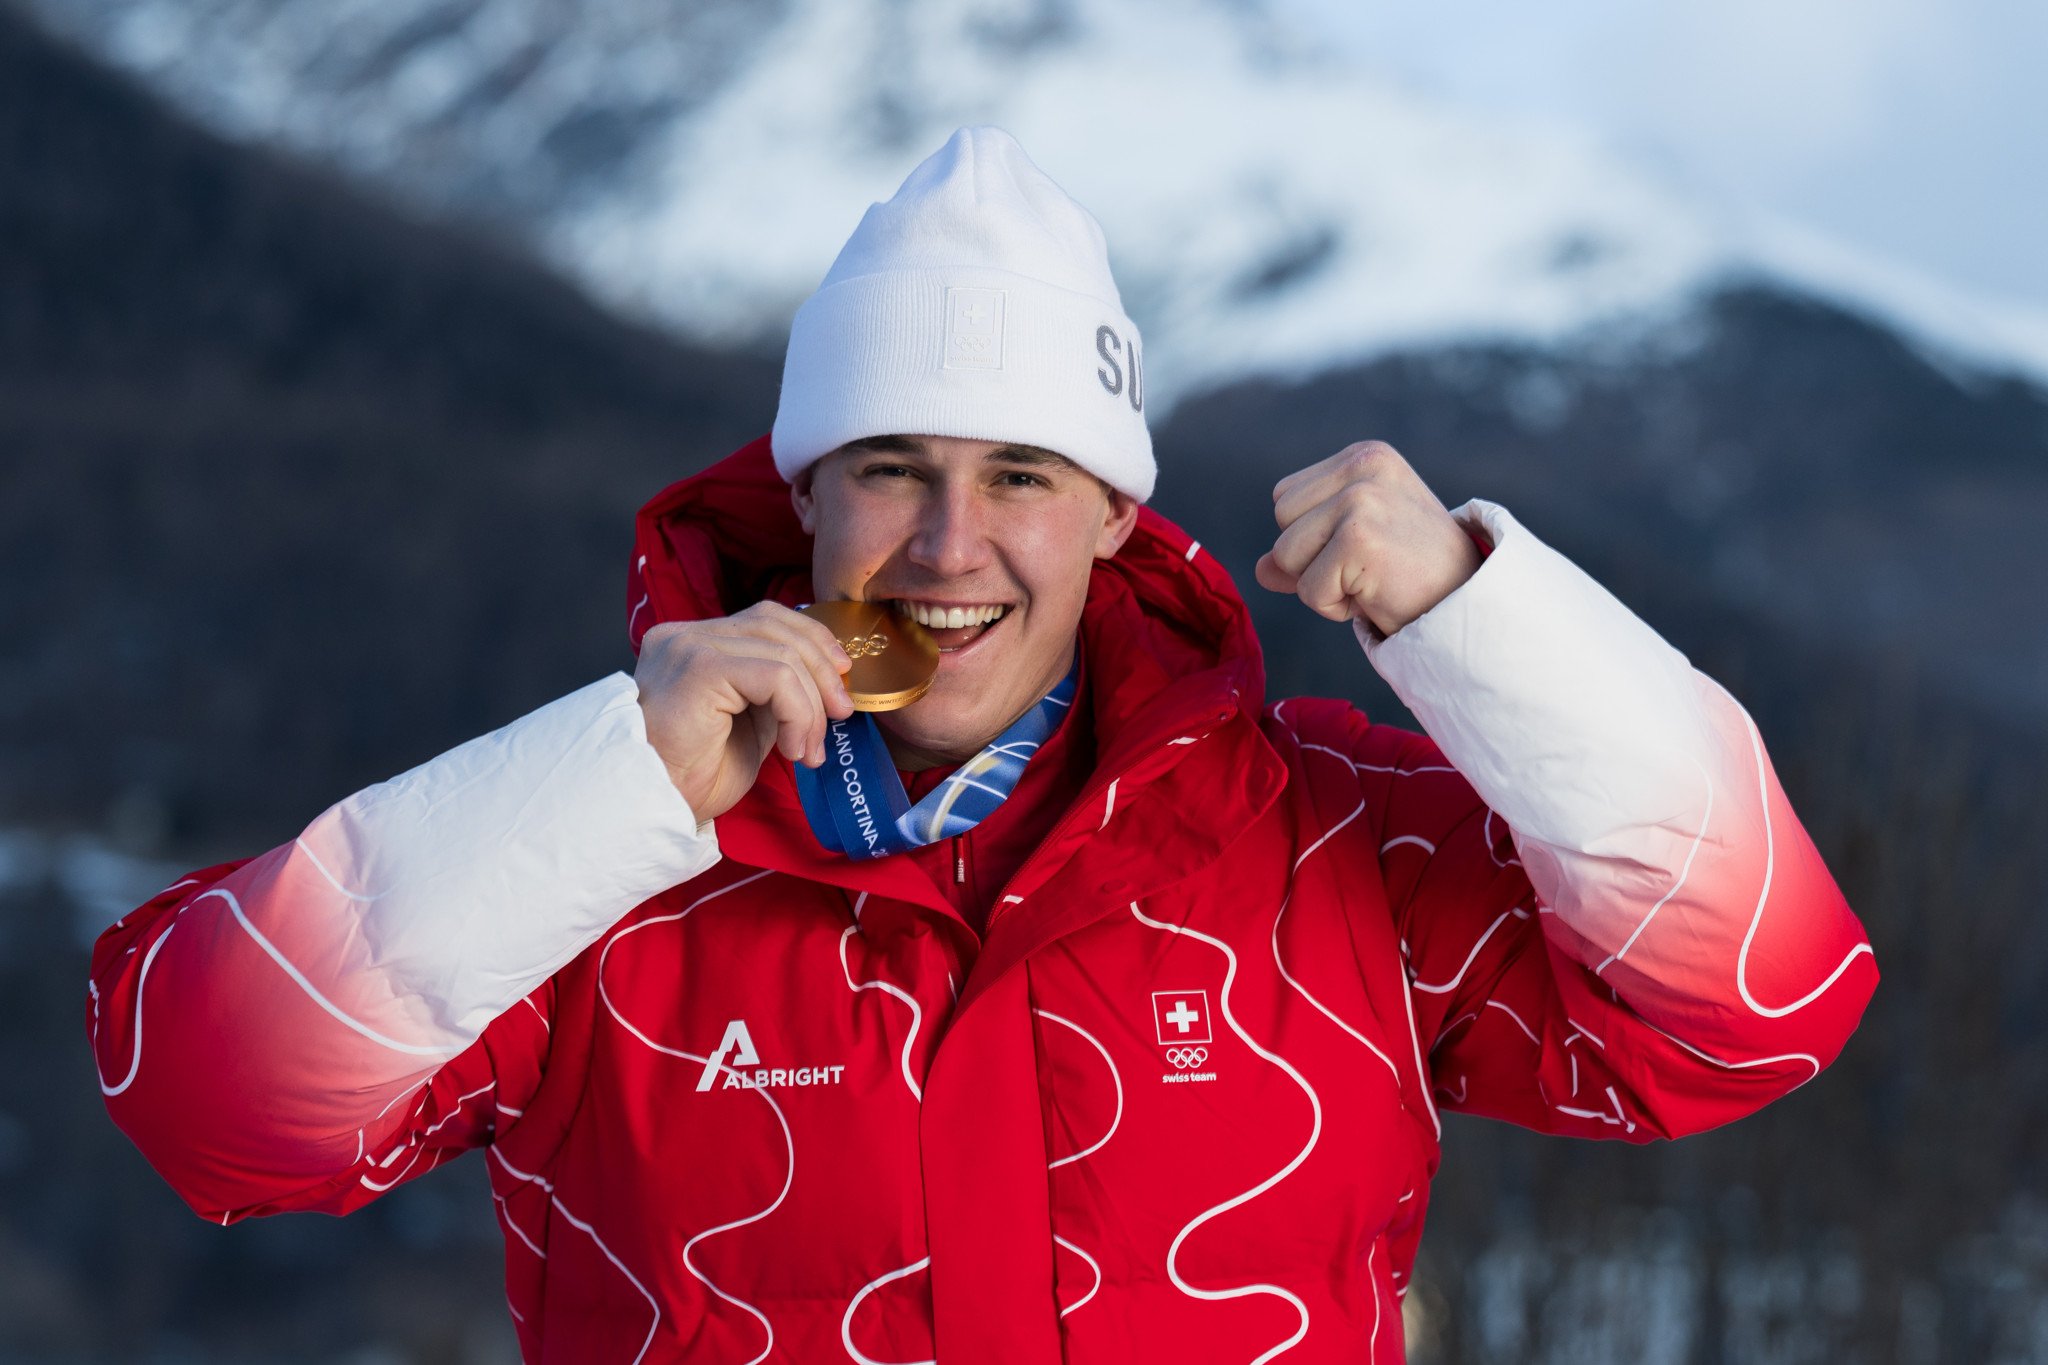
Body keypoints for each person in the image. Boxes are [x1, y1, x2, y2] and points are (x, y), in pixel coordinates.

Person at [90, 127, 1875, 1364]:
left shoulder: (1338, 838)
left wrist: (1485, 619)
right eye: (894, 468)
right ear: (806, 502)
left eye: (1019, 475)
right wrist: (606, 785)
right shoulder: (595, 862)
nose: (951, 546)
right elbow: (206, 1100)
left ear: (1111, 518)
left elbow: (1760, 1002)